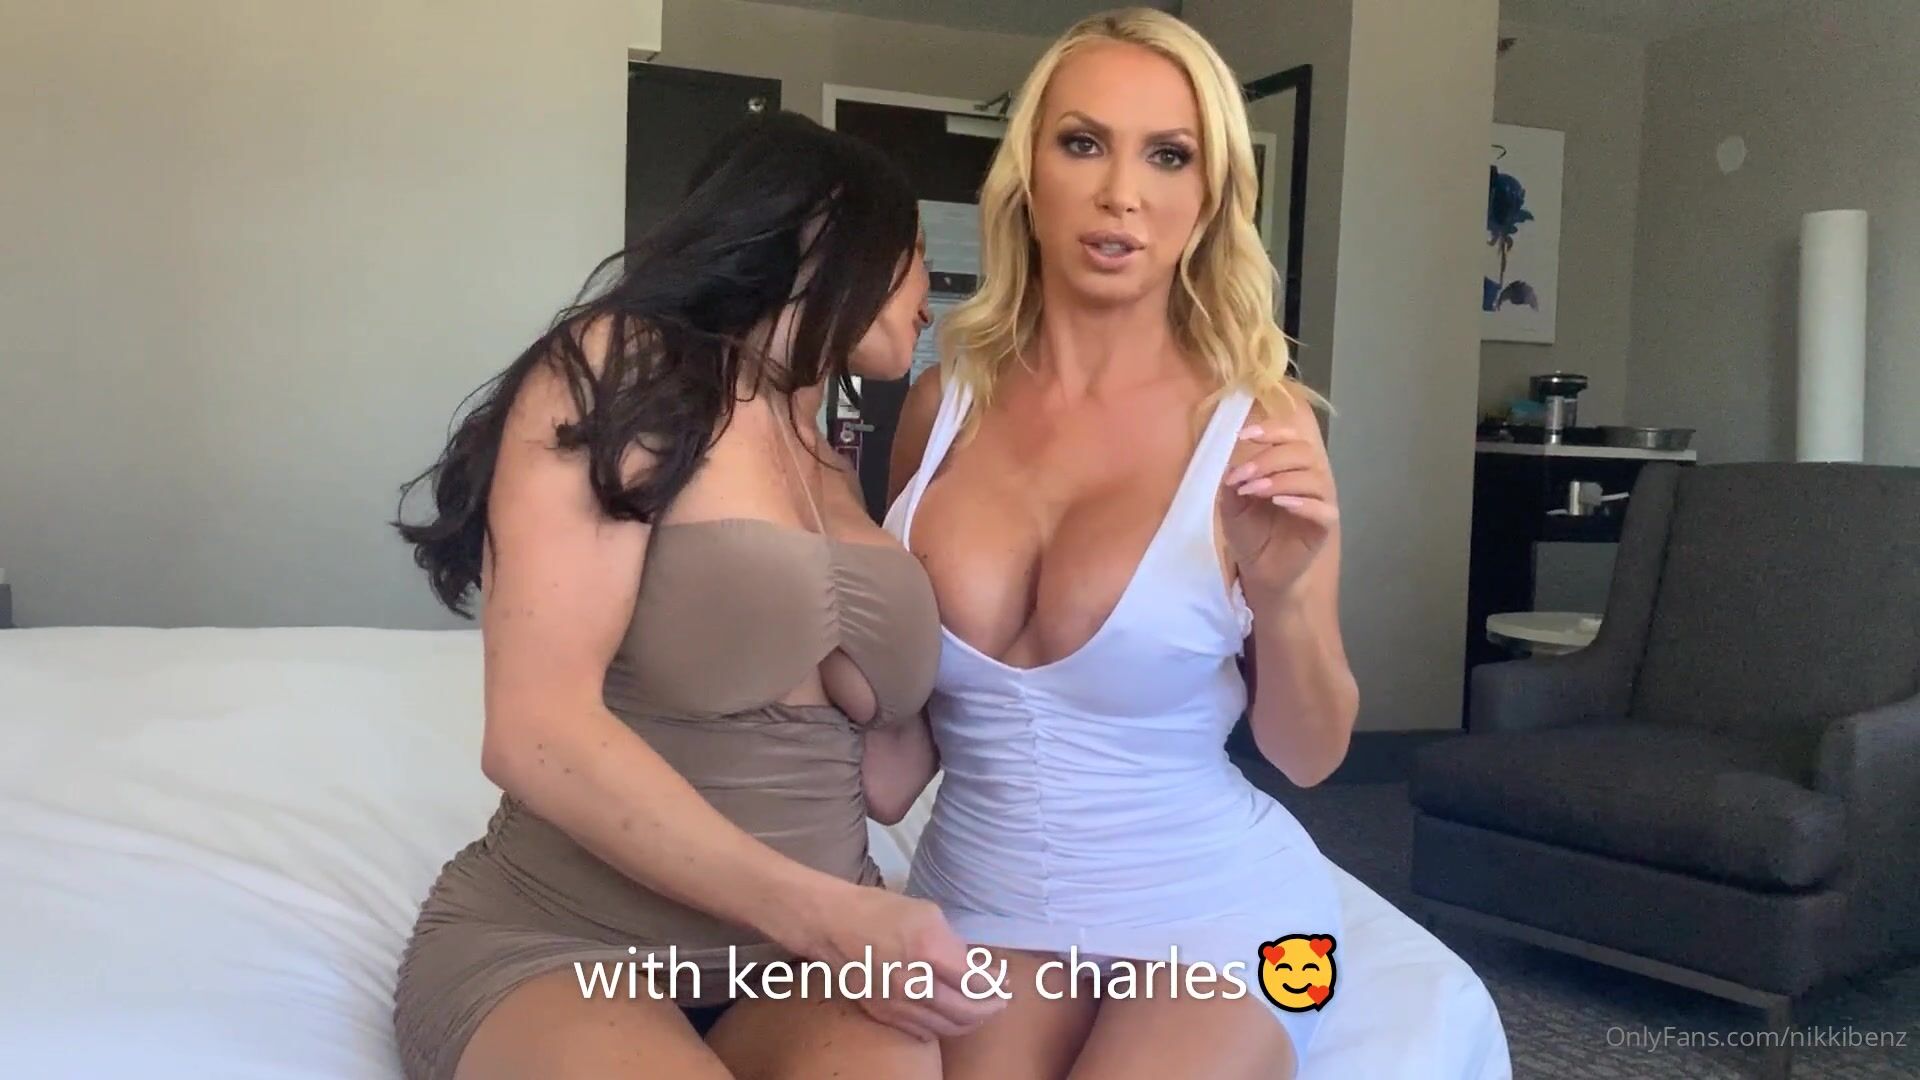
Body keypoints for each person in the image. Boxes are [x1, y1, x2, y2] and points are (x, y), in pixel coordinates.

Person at [389, 110, 1001, 1080]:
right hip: (570, 942)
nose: (932, 296)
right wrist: (830, 917)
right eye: (917, 254)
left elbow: (885, 782)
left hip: (801, 968)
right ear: (826, 235)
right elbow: (534, 733)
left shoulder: (829, 451)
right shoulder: (626, 366)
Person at [881, 9, 1357, 1080]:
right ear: (1027, 176)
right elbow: (895, 745)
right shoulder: (940, 407)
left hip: (1229, 915)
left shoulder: (1259, 422)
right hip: (983, 899)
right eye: (1083, 143)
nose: (1122, 194)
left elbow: (1311, 756)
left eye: (1169, 156)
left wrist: (1285, 600)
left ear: (1211, 198)